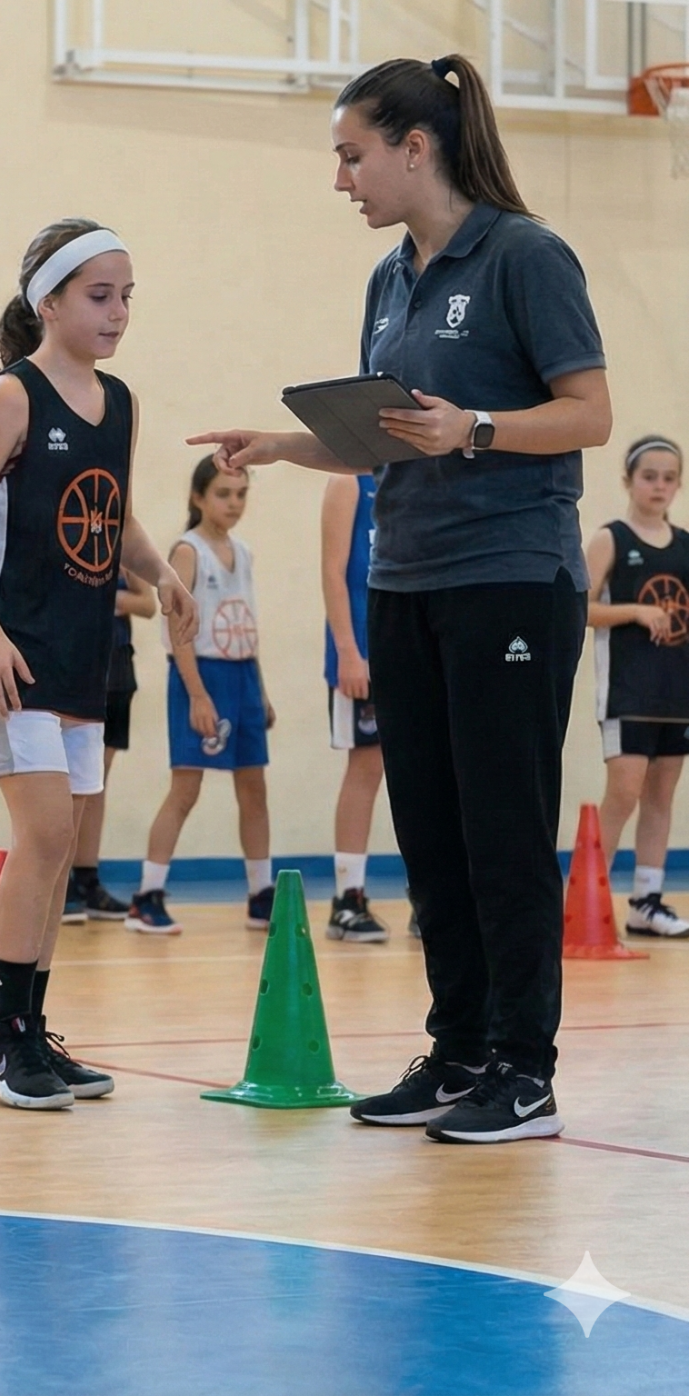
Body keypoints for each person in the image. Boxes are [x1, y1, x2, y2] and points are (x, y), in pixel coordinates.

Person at [192, 54, 610, 1144]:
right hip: (405, 580)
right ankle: (460, 1048)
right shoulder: (389, 279)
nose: (341, 180)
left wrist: (476, 428)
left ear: (413, 148)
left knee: (502, 828)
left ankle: (523, 1069)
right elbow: (384, 435)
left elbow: (589, 414)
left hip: (510, 579)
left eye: (351, 156)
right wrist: (282, 443)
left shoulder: (524, 255)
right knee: (427, 829)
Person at [0, 217, 197, 1110]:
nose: (118, 312)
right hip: (8, 648)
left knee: (64, 843)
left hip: (82, 647)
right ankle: (2, 1040)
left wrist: (161, 575)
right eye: (99, 296)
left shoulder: (118, 403)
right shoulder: (11, 398)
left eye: (127, 297)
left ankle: (32, 1030)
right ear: (47, 303)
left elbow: (112, 515)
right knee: (45, 836)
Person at [125, 458, 276, 935]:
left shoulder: (243, 552)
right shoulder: (187, 551)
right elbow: (177, 628)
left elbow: (245, 623)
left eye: (241, 494)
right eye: (223, 494)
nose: (234, 503)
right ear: (198, 497)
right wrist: (197, 695)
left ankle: (260, 893)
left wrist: (260, 691)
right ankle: (147, 896)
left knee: (254, 787)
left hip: (242, 676)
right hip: (201, 676)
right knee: (185, 789)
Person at [587, 435, 689, 938]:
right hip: (626, 693)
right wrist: (635, 611)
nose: (659, 486)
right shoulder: (611, 539)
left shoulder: (686, 545)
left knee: (661, 797)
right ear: (629, 480)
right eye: (650, 476)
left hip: (676, 694)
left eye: (669, 478)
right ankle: (588, 899)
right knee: (624, 793)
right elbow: (579, 608)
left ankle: (646, 902)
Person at [321, 470, 396, 941]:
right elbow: (333, 571)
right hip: (363, 653)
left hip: (409, 649)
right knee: (366, 766)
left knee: (426, 771)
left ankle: (427, 892)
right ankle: (348, 898)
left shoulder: (412, 475)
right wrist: (348, 650)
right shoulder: (348, 481)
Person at [65, 573, 153, 923]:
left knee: (95, 779)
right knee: (66, 779)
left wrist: (102, 599)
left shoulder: (123, 552)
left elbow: (147, 603)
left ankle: (87, 880)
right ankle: (60, 880)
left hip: (116, 665)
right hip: (72, 661)